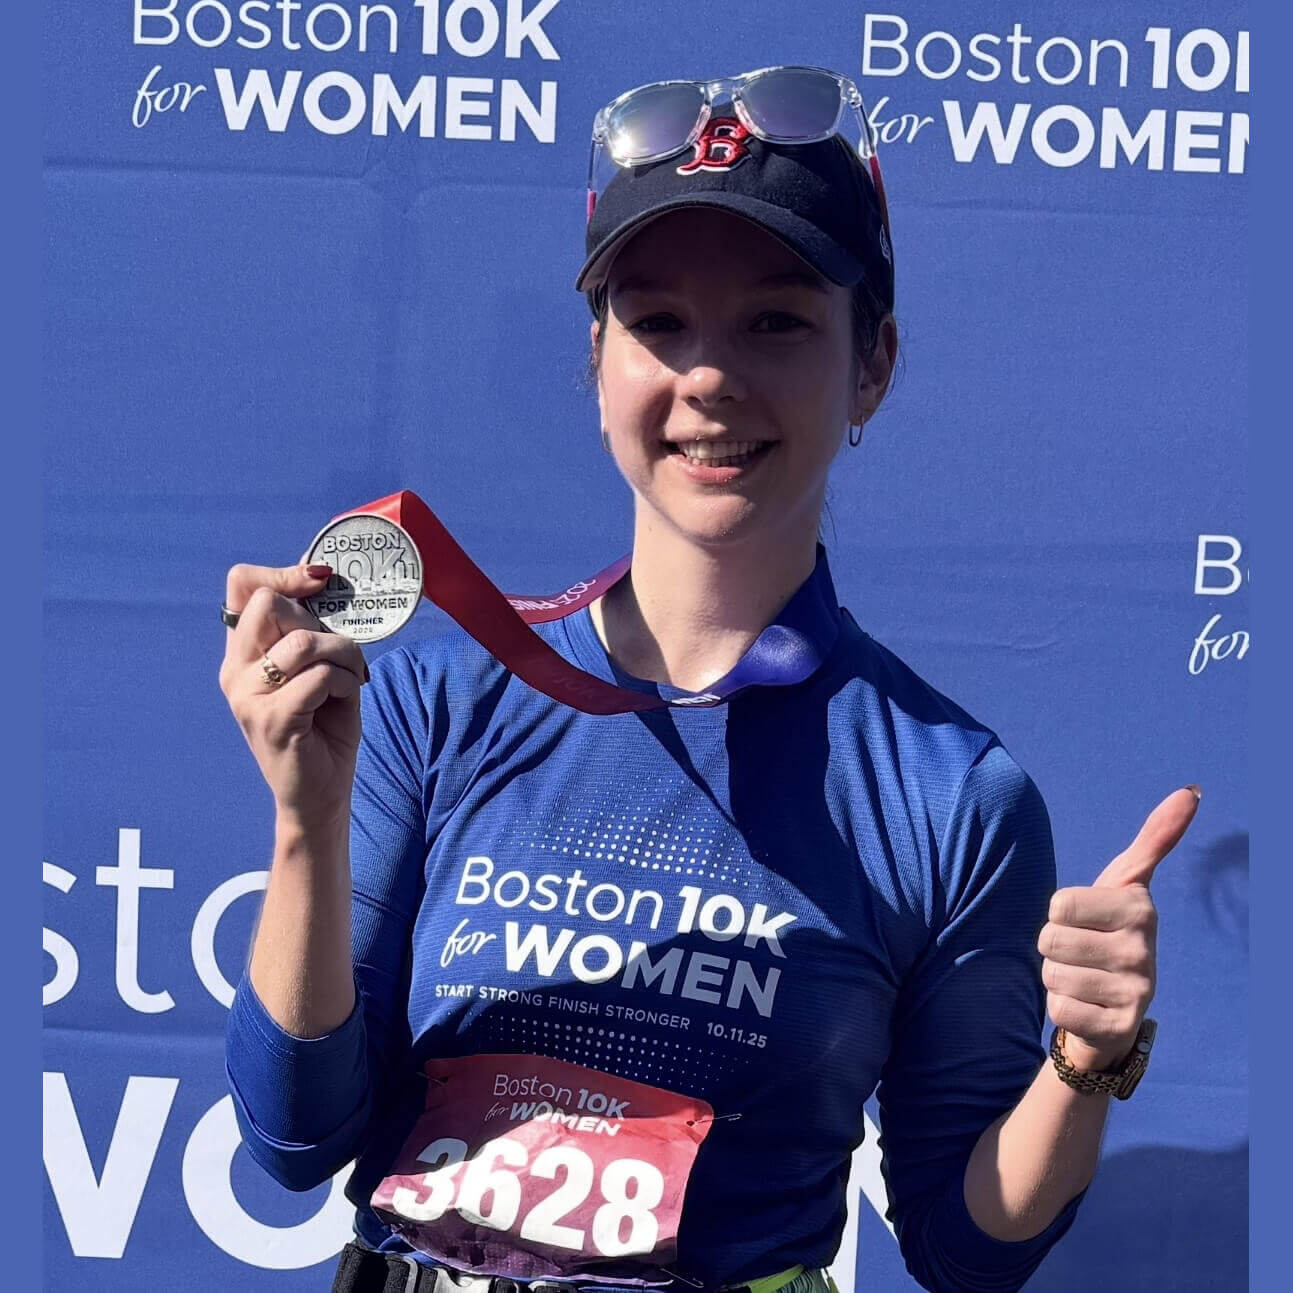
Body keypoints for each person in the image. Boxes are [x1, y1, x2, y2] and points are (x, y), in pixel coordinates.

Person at [219, 66, 1198, 1293]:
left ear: (873, 365)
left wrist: (1084, 1064)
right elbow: (295, 1137)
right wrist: (305, 823)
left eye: (776, 322)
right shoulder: (434, 708)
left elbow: (964, 1249)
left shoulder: (952, 796)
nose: (710, 377)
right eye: (659, 322)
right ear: (598, 363)